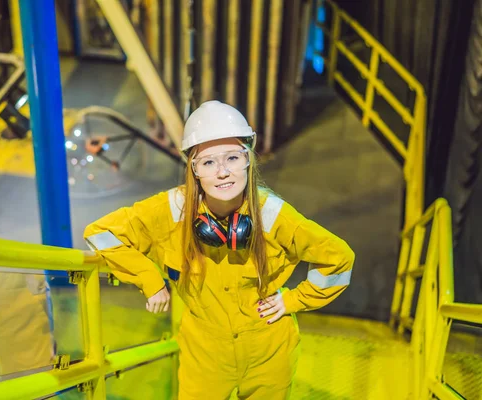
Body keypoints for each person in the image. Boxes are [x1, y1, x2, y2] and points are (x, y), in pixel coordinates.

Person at [84, 100, 355, 399]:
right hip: (204, 352)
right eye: (209, 162)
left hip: (269, 347)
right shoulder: (173, 210)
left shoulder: (272, 214)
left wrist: (293, 301)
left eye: (233, 158)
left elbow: (338, 258)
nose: (222, 172)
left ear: (249, 160)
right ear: (194, 169)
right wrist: (150, 280)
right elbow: (101, 233)